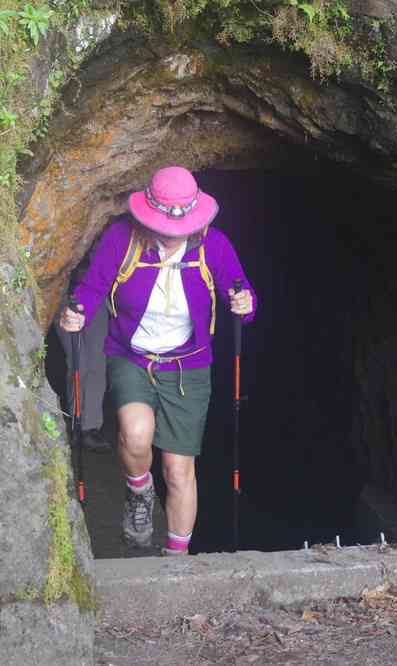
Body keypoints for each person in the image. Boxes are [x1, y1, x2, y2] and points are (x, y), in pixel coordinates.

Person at [59, 166, 256, 556]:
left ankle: (176, 560)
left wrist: (245, 305)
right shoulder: (122, 240)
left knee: (179, 470)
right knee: (135, 434)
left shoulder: (213, 246)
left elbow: (241, 292)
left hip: (189, 366)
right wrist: (76, 311)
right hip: (132, 357)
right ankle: (139, 493)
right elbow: (94, 285)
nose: (171, 233)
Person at [56, 249, 112, 453]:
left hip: (97, 299)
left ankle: (90, 428)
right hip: (66, 297)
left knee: (97, 364)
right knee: (79, 363)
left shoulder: (106, 234)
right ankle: (77, 425)